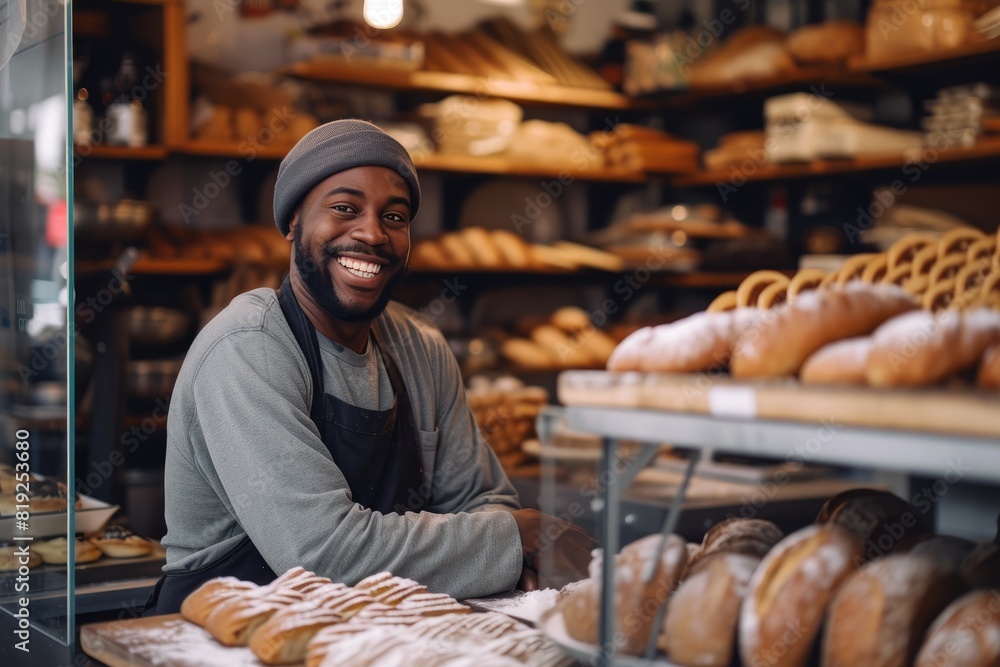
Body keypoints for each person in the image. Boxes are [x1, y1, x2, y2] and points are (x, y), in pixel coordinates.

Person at [147, 119, 595, 615]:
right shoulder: (247, 347)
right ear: (294, 220)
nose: (372, 234)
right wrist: (516, 537)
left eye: (395, 216)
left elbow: (484, 500)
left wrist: (507, 542)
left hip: (370, 634)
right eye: (344, 208)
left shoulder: (420, 347)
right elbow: (322, 552)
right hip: (217, 639)